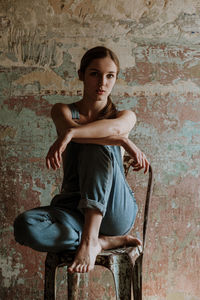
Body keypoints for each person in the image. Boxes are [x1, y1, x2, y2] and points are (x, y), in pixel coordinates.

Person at [14, 46, 149, 273]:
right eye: (94, 74)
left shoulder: (124, 116)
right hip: (74, 209)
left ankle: (89, 241)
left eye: (110, 76)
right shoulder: (63, 111)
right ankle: (102, 240)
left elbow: (115, 129)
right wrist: (122, 142)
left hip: (114, 211)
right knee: (24, 226)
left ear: (116, 79)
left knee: (96, 148)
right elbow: (99, 132)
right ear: (81, 75)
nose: (102, 83)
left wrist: (72, 133)